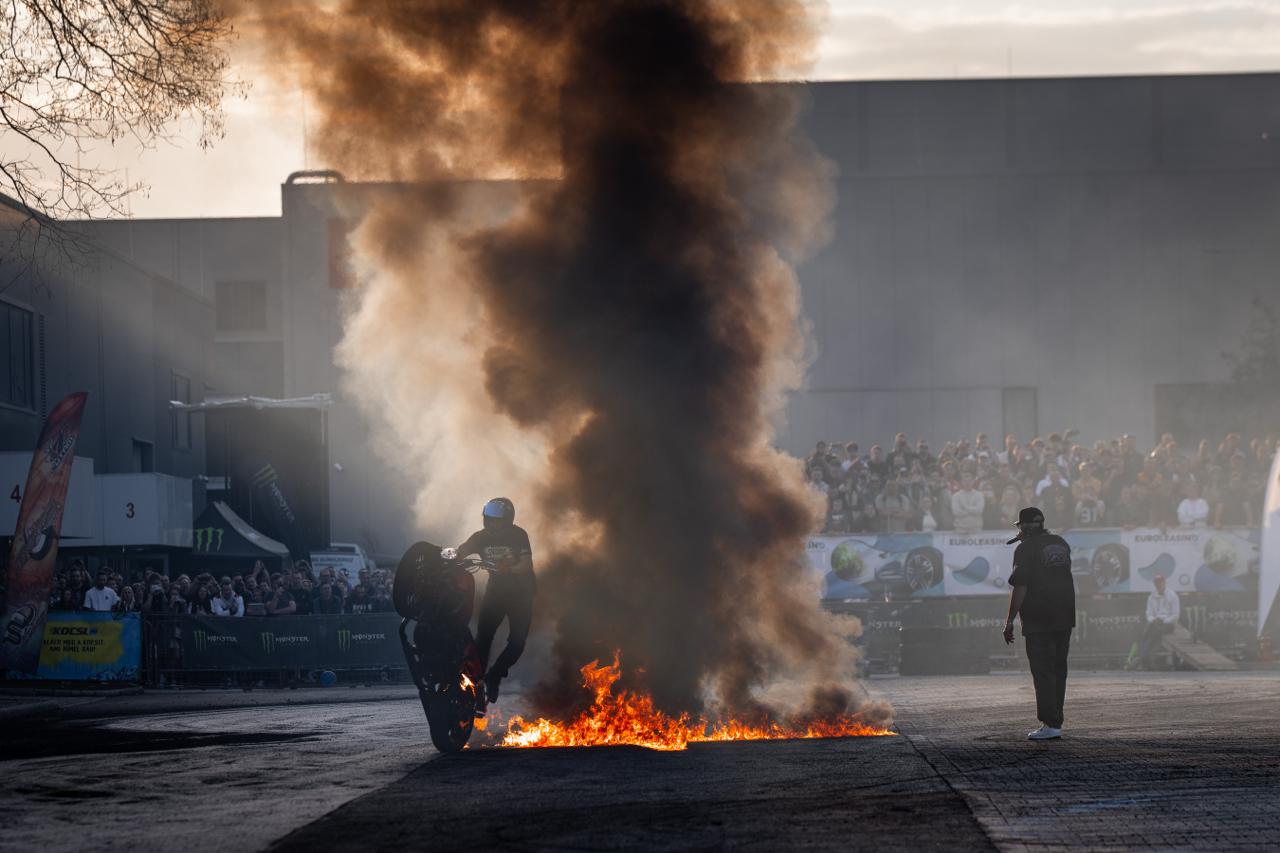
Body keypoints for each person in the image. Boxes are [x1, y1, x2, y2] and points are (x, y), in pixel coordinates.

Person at [1002, 507, 1076, 741]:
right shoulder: (1061, 543)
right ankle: (1056, 720)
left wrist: (1010, 620)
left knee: (1042, 671)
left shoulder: (1024, 549)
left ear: (1023, 527)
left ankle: (1050, 723)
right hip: (1064, 614)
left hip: (1039, 617)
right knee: (1058, 670)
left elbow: (1021, 586)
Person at [456, 497, 535, 704]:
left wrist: (508, 569)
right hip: (496, 593)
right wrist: (449, 556)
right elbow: (461, 551)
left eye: (496, 520)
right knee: (484, 636)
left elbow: (526, 565)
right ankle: (477, 680)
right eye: (488, 519)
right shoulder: (480, 537)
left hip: (521, 595)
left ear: (508, 521)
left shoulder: (518, 535)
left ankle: (495, 675)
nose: (491, 524)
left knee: (517, 643)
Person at [1130, 574, 1179, 670]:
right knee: (1147, 631)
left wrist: (1163, 620)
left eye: (1160, 583)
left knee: (1150, 632)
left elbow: (1175, 615)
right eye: (1156, 583)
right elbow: (1149, 614)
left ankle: (1142, 659)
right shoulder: (1151, 597)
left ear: (1164, 583)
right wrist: (1153, 620)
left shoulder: (1172, 595)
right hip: (1154, 624)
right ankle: (1145, 659)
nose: (1158, 585)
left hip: (1169, 625)